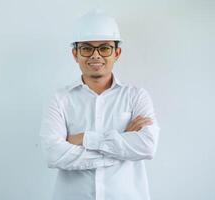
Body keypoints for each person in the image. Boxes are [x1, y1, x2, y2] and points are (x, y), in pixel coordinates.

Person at [39, 9, 160, 200]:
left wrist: (85, 138)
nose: (95, 55)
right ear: (75, 54)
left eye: (104, 48)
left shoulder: (137, 96)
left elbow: (147, 147)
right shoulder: (60, 99)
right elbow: (53, 154)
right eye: (87, 48)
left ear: (117, 53)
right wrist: (121, 146)